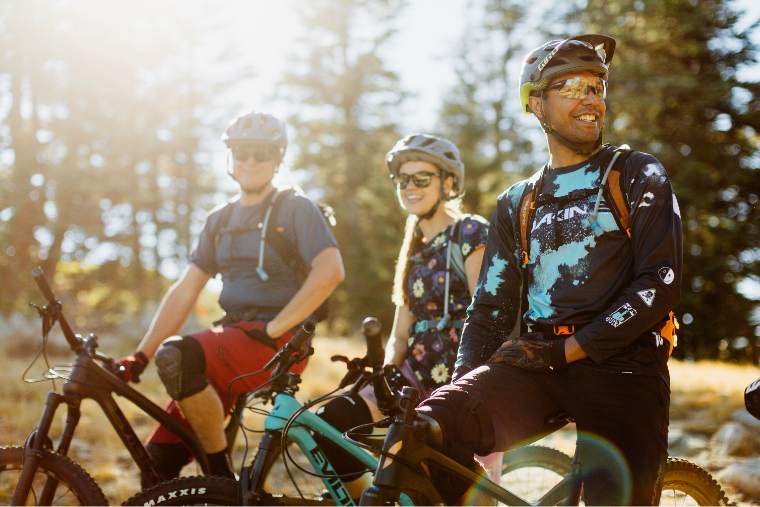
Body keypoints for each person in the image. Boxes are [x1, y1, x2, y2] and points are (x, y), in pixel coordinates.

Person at [411, 35, 683, 507]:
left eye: (596, 86)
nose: (591, 99)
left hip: (626, 368)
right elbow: (490, 307)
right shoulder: (517, 202)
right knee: (427, 429)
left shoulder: (638, 173)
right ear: (536, 104)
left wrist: (571, 349)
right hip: (539, 364)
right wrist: (464, 386)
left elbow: (660, 283)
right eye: (573, 87)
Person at [116, 111, 345, 482]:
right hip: (232, 344)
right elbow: (185, 290)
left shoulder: (295, 208)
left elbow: (330, 270)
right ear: (230, 158)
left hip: (280, 343)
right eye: (242, 152)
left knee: (178, 355)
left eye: (262, 153)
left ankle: (221, 481)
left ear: (278, 159)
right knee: (156, 466)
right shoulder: (218, 221)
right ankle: (217, 486)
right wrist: (140, 355)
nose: (251, 161)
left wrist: (274, 329)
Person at [315, 134, 492, 497]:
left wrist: (472, 383)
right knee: (332, 424)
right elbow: (399, 334)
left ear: (447, 183)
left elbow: (487, 312)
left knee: (454, 490)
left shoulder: (470, 231)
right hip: (412, 377)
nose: (409, 186)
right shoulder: (412, 251)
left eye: (421, 178)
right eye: (403, 180)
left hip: (460, 377)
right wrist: (380, 373)